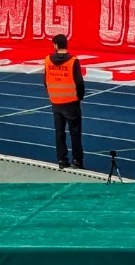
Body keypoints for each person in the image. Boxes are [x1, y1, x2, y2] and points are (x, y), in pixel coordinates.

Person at [44, 33, 85, 170]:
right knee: (75, 133)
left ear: (56, 45)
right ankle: (77, 160)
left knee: (59, 132)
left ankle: (62, 160)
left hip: (56, 102)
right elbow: (79, 82)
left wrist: (52, 94)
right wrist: (80, 96)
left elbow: (46, 81)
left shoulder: (48, 60)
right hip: (71, 102)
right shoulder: (73, 61)